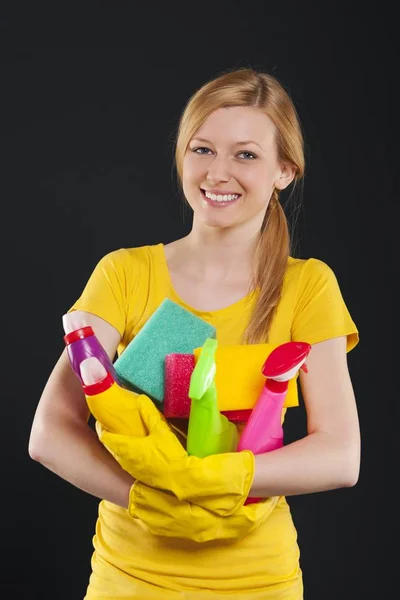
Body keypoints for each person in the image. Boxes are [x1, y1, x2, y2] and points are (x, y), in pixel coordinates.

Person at [28, 67, 360, 599]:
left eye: (246, 154)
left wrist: (214, 480)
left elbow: (340, 456)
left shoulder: (307, 286)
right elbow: (50, 432)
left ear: (284, 171)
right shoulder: (125, 273)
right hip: (129, 577)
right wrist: (142, 497)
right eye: (202, 149)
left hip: (258, 579)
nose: (217, 172)